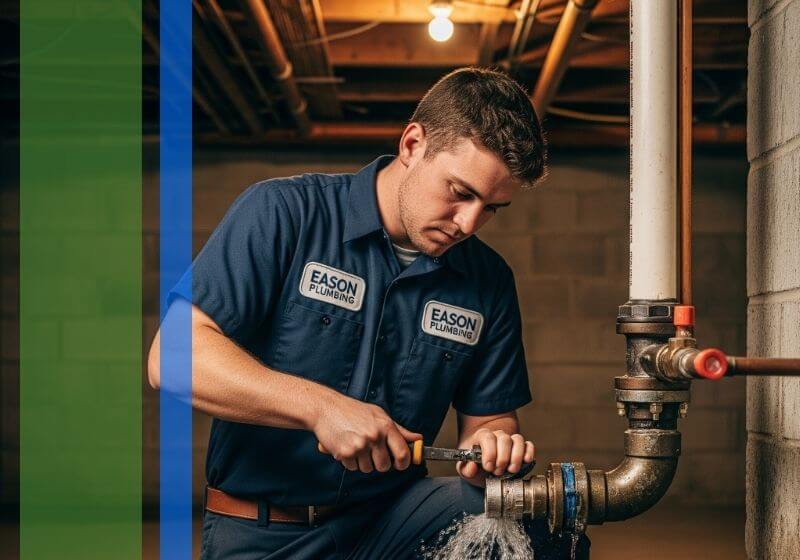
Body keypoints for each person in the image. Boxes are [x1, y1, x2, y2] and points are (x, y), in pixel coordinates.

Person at [148, 67, 590, 559]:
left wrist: (494, 447)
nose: (469, 222)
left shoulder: (488, 279)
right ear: (412, 144)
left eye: (492, 208)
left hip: (394, 520)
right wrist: (321, 409)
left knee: (543, 526)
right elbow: (173, 356)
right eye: (460, 193)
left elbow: (491, 422)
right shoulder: (284, 213)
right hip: (265, 532)